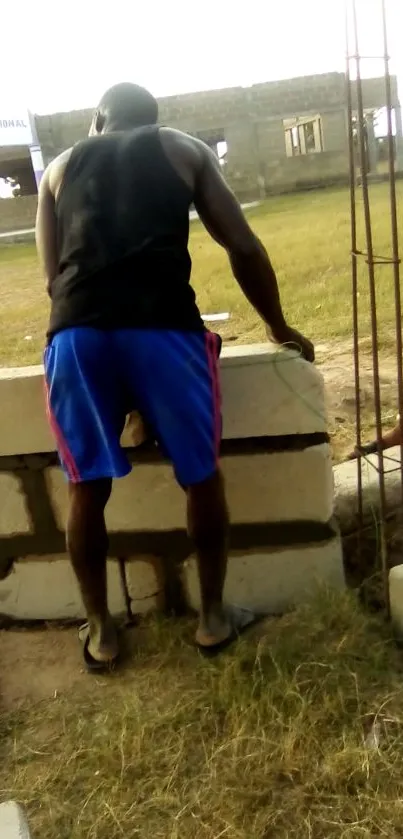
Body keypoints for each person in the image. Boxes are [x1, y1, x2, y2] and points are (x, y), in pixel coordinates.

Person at [36, 82, 314, 671]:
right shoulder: (184, 149)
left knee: (85, 486)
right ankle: (212, 619)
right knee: (201, 476)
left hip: (77, 335)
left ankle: (103, 632)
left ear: (98, 120)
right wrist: (279, 326)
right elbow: (243, 246)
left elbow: (51, 278)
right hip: (165, 331)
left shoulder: (57, 169)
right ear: (150, 119)